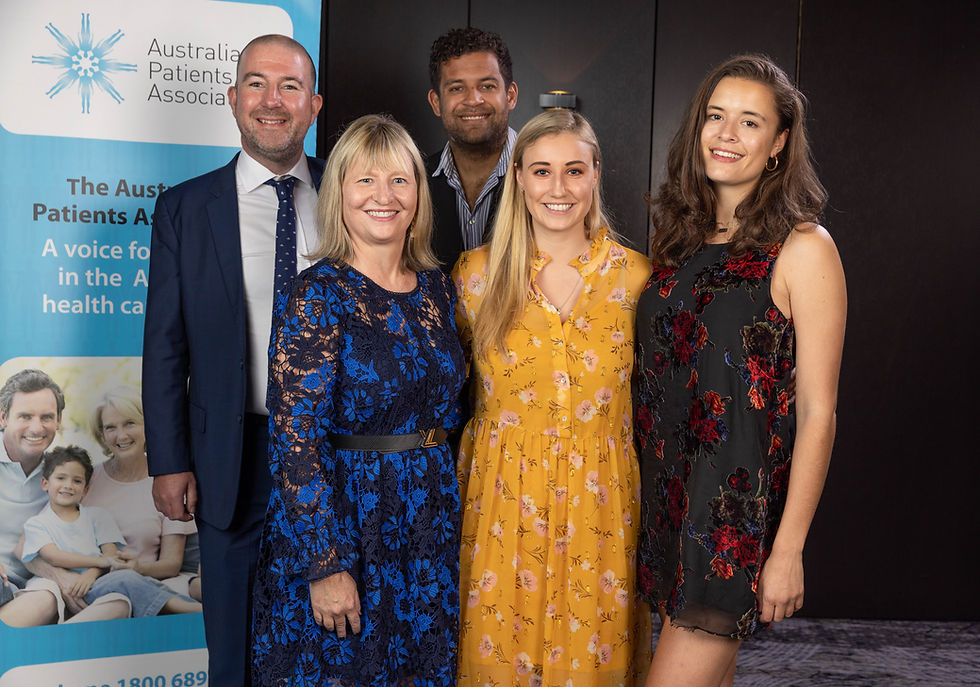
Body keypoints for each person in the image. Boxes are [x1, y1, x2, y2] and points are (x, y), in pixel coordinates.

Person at [633, 54, 846, 686]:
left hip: (731, 528)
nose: (726, 135)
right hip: (667, 509)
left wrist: (788, 550)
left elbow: (818, 412)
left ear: (779, 143)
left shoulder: (804, 249)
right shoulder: (679, 244)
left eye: (750, 123)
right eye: (716, 116)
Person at [251, 114, 465, 686]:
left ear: (418, 195)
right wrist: (325, 565)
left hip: (429, 523)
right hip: (351, 520)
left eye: (400, 180)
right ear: (339, 194)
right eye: (365, 181)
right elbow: (294, 441)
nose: (384, 197)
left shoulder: (439, 288)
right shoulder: (316, 294)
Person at [141, 33, 323, 686]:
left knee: (327, 639)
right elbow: (164, 344)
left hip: (333, 457)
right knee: (235, 648)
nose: (272, 101)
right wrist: (169, 459)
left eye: (290, 86)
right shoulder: (185, 210)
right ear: (232, 98)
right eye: (256, 84)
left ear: (314, 104)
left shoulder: (354, 197)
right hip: (228, 457)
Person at [452, 110, 651, 685]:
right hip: (501, 502)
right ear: (517, 177)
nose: (558, 188)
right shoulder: (474, 277)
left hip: (602, 508)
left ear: (595, 175)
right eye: (541, 171)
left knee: (594, 663)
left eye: (573, 170)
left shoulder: (638, 280)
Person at [0, 369, 127, 626]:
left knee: (49, 596)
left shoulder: (61, 475)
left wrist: (62, 575)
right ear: (3, 418)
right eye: (25, 416)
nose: (36, 428)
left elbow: (89, 536)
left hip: (35, 582)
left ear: (58, 421)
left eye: (46, 417)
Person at [21, 446, 202, 621]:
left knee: (128, 580)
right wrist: (101, 561)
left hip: (97, 582)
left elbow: (110, 554)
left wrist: (91, 574)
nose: (68, 486)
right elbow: (54, 556)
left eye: (77, 481)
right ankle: (186, 609)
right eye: (61, 478)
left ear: (86, 490)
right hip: (60, 586)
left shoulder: (98, 516)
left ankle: (185, 608)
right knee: (124, 584)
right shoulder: (37, 524)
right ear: (45, 483)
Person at [83, 386, 198, 597]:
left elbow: (171, 564)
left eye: (130, 423)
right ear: (102, 434)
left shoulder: (168, 483)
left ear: (149, 426)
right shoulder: (86, 478)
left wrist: (138, 569)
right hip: (90, 583)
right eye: (110, 427)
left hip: (143, 584)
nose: (121, 435)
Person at [426, 27, 518, 268]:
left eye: (487, 86)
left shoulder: (546, 176)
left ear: (510, 96)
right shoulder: (413, 181)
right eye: (457, 88)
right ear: (436, 103)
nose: (473, 100)